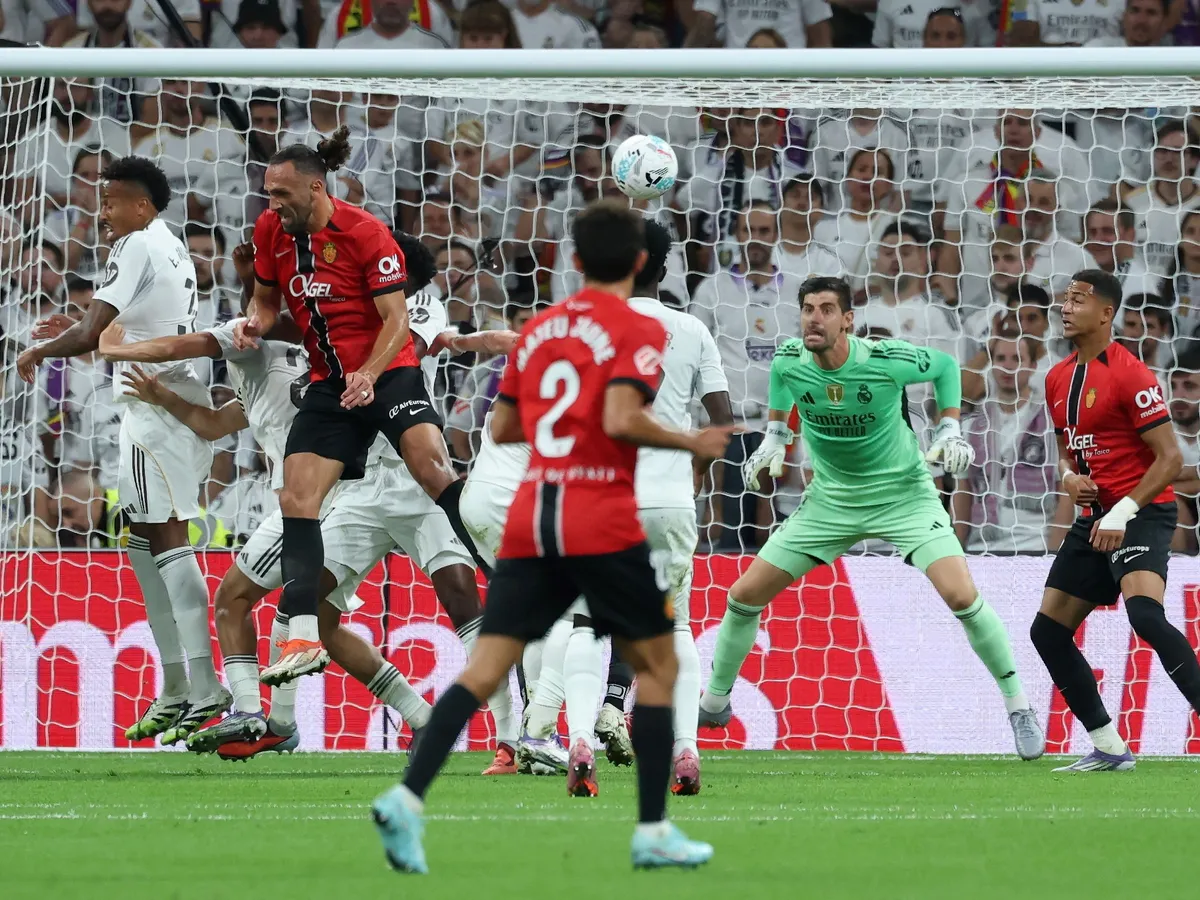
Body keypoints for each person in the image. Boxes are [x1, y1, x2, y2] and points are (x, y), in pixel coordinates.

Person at [371, 201, 732, 874]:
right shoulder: (634, 329)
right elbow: (624, 415)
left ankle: (408, 797)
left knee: (483, 669)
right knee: (656, 665)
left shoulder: (541, 331)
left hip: (538, 514)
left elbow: (504, 429)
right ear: (638, 264)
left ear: (575, 261)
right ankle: (653, 828)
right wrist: (686, 438)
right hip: (601, 514)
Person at [97, 236, 523, 762]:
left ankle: (512, 737)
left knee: (462, 599)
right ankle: (320, 719)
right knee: (309, 610)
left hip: (417, 483)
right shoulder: (326, 329)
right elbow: (224, 406)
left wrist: (469, 339)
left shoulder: (416, 308)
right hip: (358, 490)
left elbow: (406, 341)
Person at [697, 275, 1046, 762]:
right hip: (830, 503)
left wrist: (948, 426)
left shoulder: (885, 360)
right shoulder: (790, 360)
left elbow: (945, 365)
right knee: (743, 595)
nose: (813, 318)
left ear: (847, 320)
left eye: (825, 309)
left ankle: (1019, 706)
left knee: (961, 594)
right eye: (807, 309)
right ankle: (715, 702)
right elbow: (781, 397)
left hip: (904, 496)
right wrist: (775, 438)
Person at [236, 127, 489, 685]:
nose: (272, 205)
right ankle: (302, 636)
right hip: (330, 383)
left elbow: (397, 323)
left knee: (432, 468)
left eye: (281, 195)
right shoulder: (269, 232)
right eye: (267, 195)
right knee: (296, 496)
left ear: (317, 188)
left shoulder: (366, 234)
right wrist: (253, 323)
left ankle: (504, 562)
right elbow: (264, 299)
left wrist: (370, 375)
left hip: (388, 371)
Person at [15, 156, 229, 744]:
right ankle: (178, 685)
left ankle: (204, 687)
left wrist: (39, 352)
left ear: (141, 205)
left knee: (166, 538)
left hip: (154, 408)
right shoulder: (169, 245)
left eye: (110, 202)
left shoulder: (136, 245)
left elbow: (93, 339)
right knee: (141, 540)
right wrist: (81, 328)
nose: (100, 211)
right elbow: (114, 330)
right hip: (165, 400)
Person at [560, 219, 734, 797]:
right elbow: (721, 420)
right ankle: (685, 749)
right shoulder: (692, 330)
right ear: (663, 270)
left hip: (602, 498)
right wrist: (695, 475)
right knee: (675, 625)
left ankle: (581, 737)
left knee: (588, 622)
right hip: (668, 502)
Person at [1033, 270, 1200, 772]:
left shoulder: (1131, 374)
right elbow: (1068, 453)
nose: (1066, 307)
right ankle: (1108, 746)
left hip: (1142, 512)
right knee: (1047, 632)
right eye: (1064, 300)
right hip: (1094, 518)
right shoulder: (1057, 377)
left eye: (1078, 300)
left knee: (1145, 616)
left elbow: (1169, 459)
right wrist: (1068, 478)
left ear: (1106, 313)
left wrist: (1124, 511)